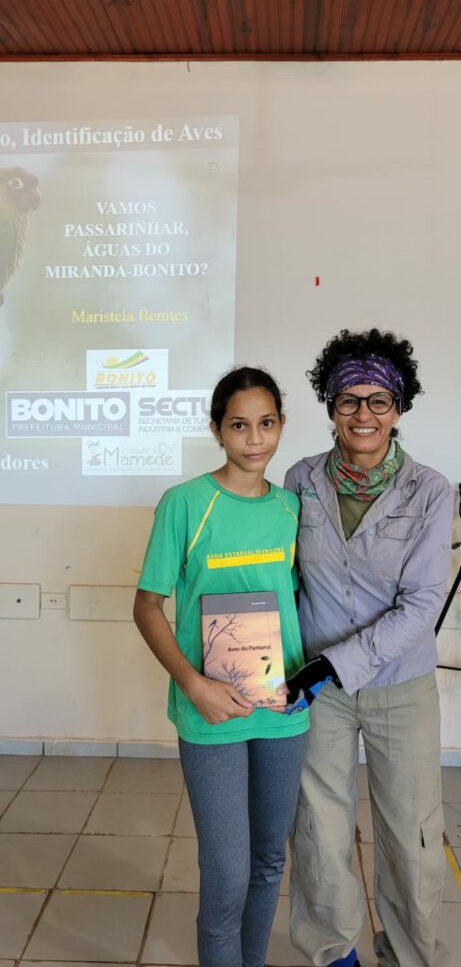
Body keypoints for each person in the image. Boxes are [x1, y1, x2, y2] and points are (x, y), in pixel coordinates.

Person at [283, 329, 453, 967]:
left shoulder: (430, 492)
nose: (363, 415)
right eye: (348, 400)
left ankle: (408, 953)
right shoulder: (301, 480)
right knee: (321, 829)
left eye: (378, 400)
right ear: (329, 407)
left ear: (400, 408)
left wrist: (336, 663)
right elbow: (281, 572)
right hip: (316, 689)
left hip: (399, 687)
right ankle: (333, 953)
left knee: (410, 834)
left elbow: (420, 606)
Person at [133, 366, 309, 967]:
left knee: (267, 861)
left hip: (282, 712)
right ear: (217, 430)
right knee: (228, 871)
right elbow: (147, 606)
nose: (254, 439)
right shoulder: (185, 504)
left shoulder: (291, 508)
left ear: (281, 427)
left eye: (266, 424)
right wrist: (193, 684)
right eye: (239, 425)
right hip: (209, 713)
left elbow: (294, 602)